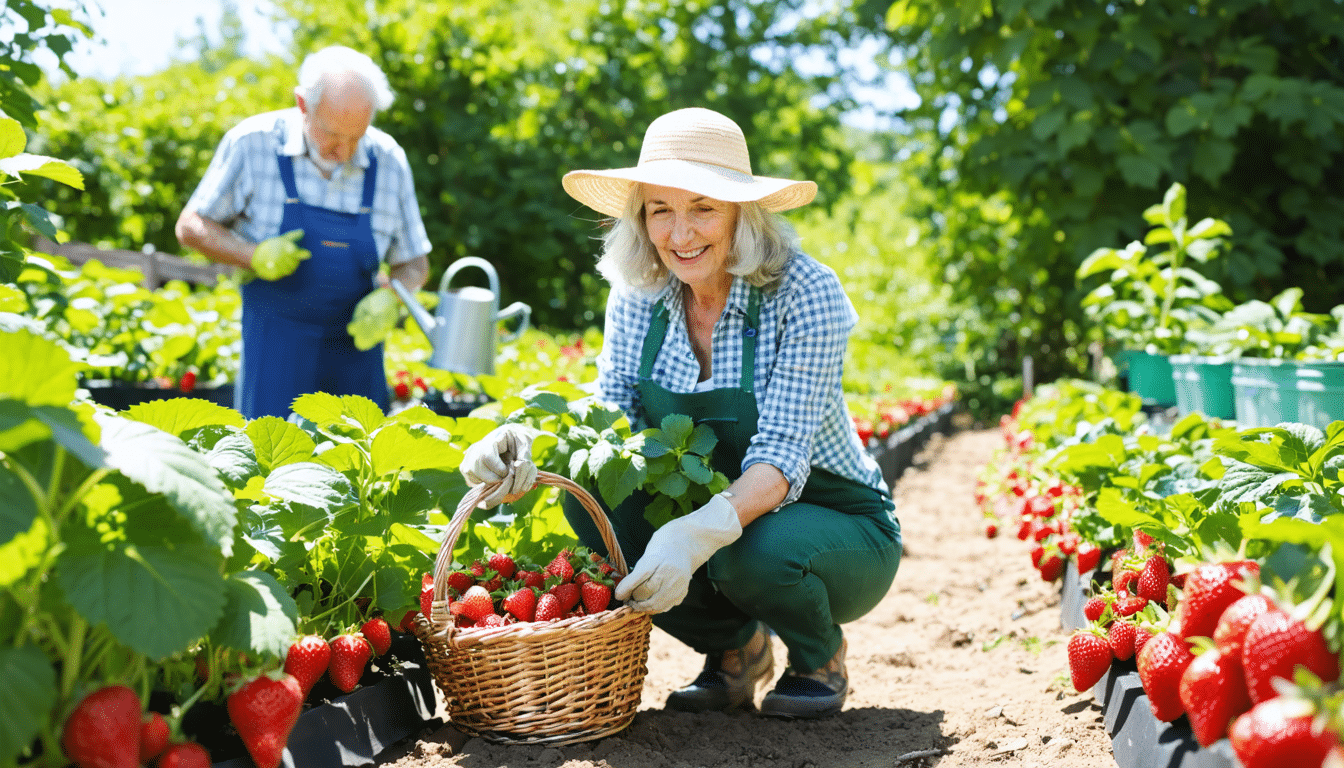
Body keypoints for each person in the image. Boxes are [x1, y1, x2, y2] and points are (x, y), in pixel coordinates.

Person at [461, 107, 901, 719]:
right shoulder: (641, 290)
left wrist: (695, 533)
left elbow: (781, 455)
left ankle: (818, 656)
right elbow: (610, 410)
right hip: (725, 508)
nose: (680, 233)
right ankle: (736, 652)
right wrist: (521, 435)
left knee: (751, 552)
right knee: (591, 501)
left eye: (703, 207)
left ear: (741, 214)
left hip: (837, 520)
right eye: (660, 209)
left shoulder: (805, 291)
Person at [175, 45, 431, 419]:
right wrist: (253, 256)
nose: (343, 150)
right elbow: (191, 226)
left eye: (356, 136)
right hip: (275, 356)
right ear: (302, 104)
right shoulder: (253, 143)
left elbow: (415, 262)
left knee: (358, 470)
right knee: (271, 468)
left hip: (356, 364)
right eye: (331, 134)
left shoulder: (388, 161)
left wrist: (394, 296)